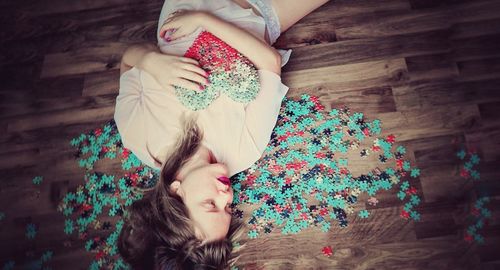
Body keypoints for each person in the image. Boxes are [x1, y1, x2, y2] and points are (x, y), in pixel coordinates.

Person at [114, 1, 331, 269]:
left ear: (175, 193)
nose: (226, 195)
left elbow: (129, 58)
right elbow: (269, 61)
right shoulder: (245, 150)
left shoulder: (138, 136)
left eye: (210, 204)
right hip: (257, 11)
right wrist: (203, 19)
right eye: (228, 208)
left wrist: (151, 61)